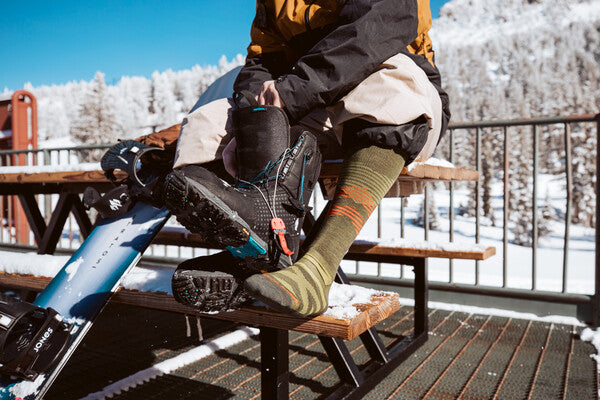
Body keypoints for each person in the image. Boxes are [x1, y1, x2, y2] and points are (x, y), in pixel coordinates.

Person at [140, 0, 450, 317]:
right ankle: (267, 252)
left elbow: (383, 25)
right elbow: (261, 62)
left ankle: (317, 268)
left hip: (401, 93)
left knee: (392, 82)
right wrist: (252, 121)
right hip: (311, 99)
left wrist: (291, 93)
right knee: (207, 123)